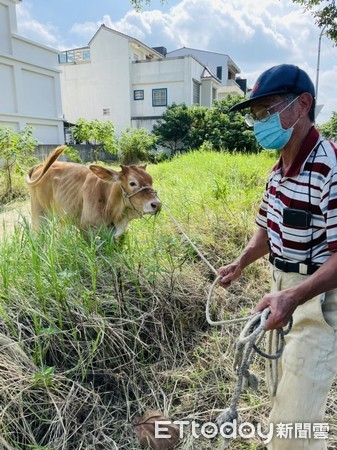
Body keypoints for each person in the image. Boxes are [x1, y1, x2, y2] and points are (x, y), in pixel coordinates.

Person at [217, 64, 337, 450]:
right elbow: (268, 230)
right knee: (281, 397)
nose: (258, 122)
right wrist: (241, 261)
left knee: (293, 425)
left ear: (302, 105)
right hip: (280, 291)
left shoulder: (330, 168)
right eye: (255, 114)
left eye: (266, 111)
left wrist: (293, 296)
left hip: (319, 299)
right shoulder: (277, 172)